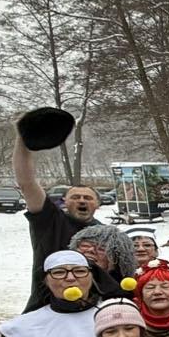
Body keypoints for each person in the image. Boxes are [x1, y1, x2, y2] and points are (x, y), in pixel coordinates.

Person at [14, 117, 101, 310]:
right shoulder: (50, 221)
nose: (82, 201)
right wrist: (22, 139)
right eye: (75, 197)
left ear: (97, 204)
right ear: (65, 202)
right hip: (47, 307)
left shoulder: (105, 233)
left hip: (93, 308)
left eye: (88, 198)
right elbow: (27, 183)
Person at [133, 260, 169, 337]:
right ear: (141, 295)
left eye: (165, 286)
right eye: (150, 287)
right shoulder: (132, 322)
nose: (157, 292)